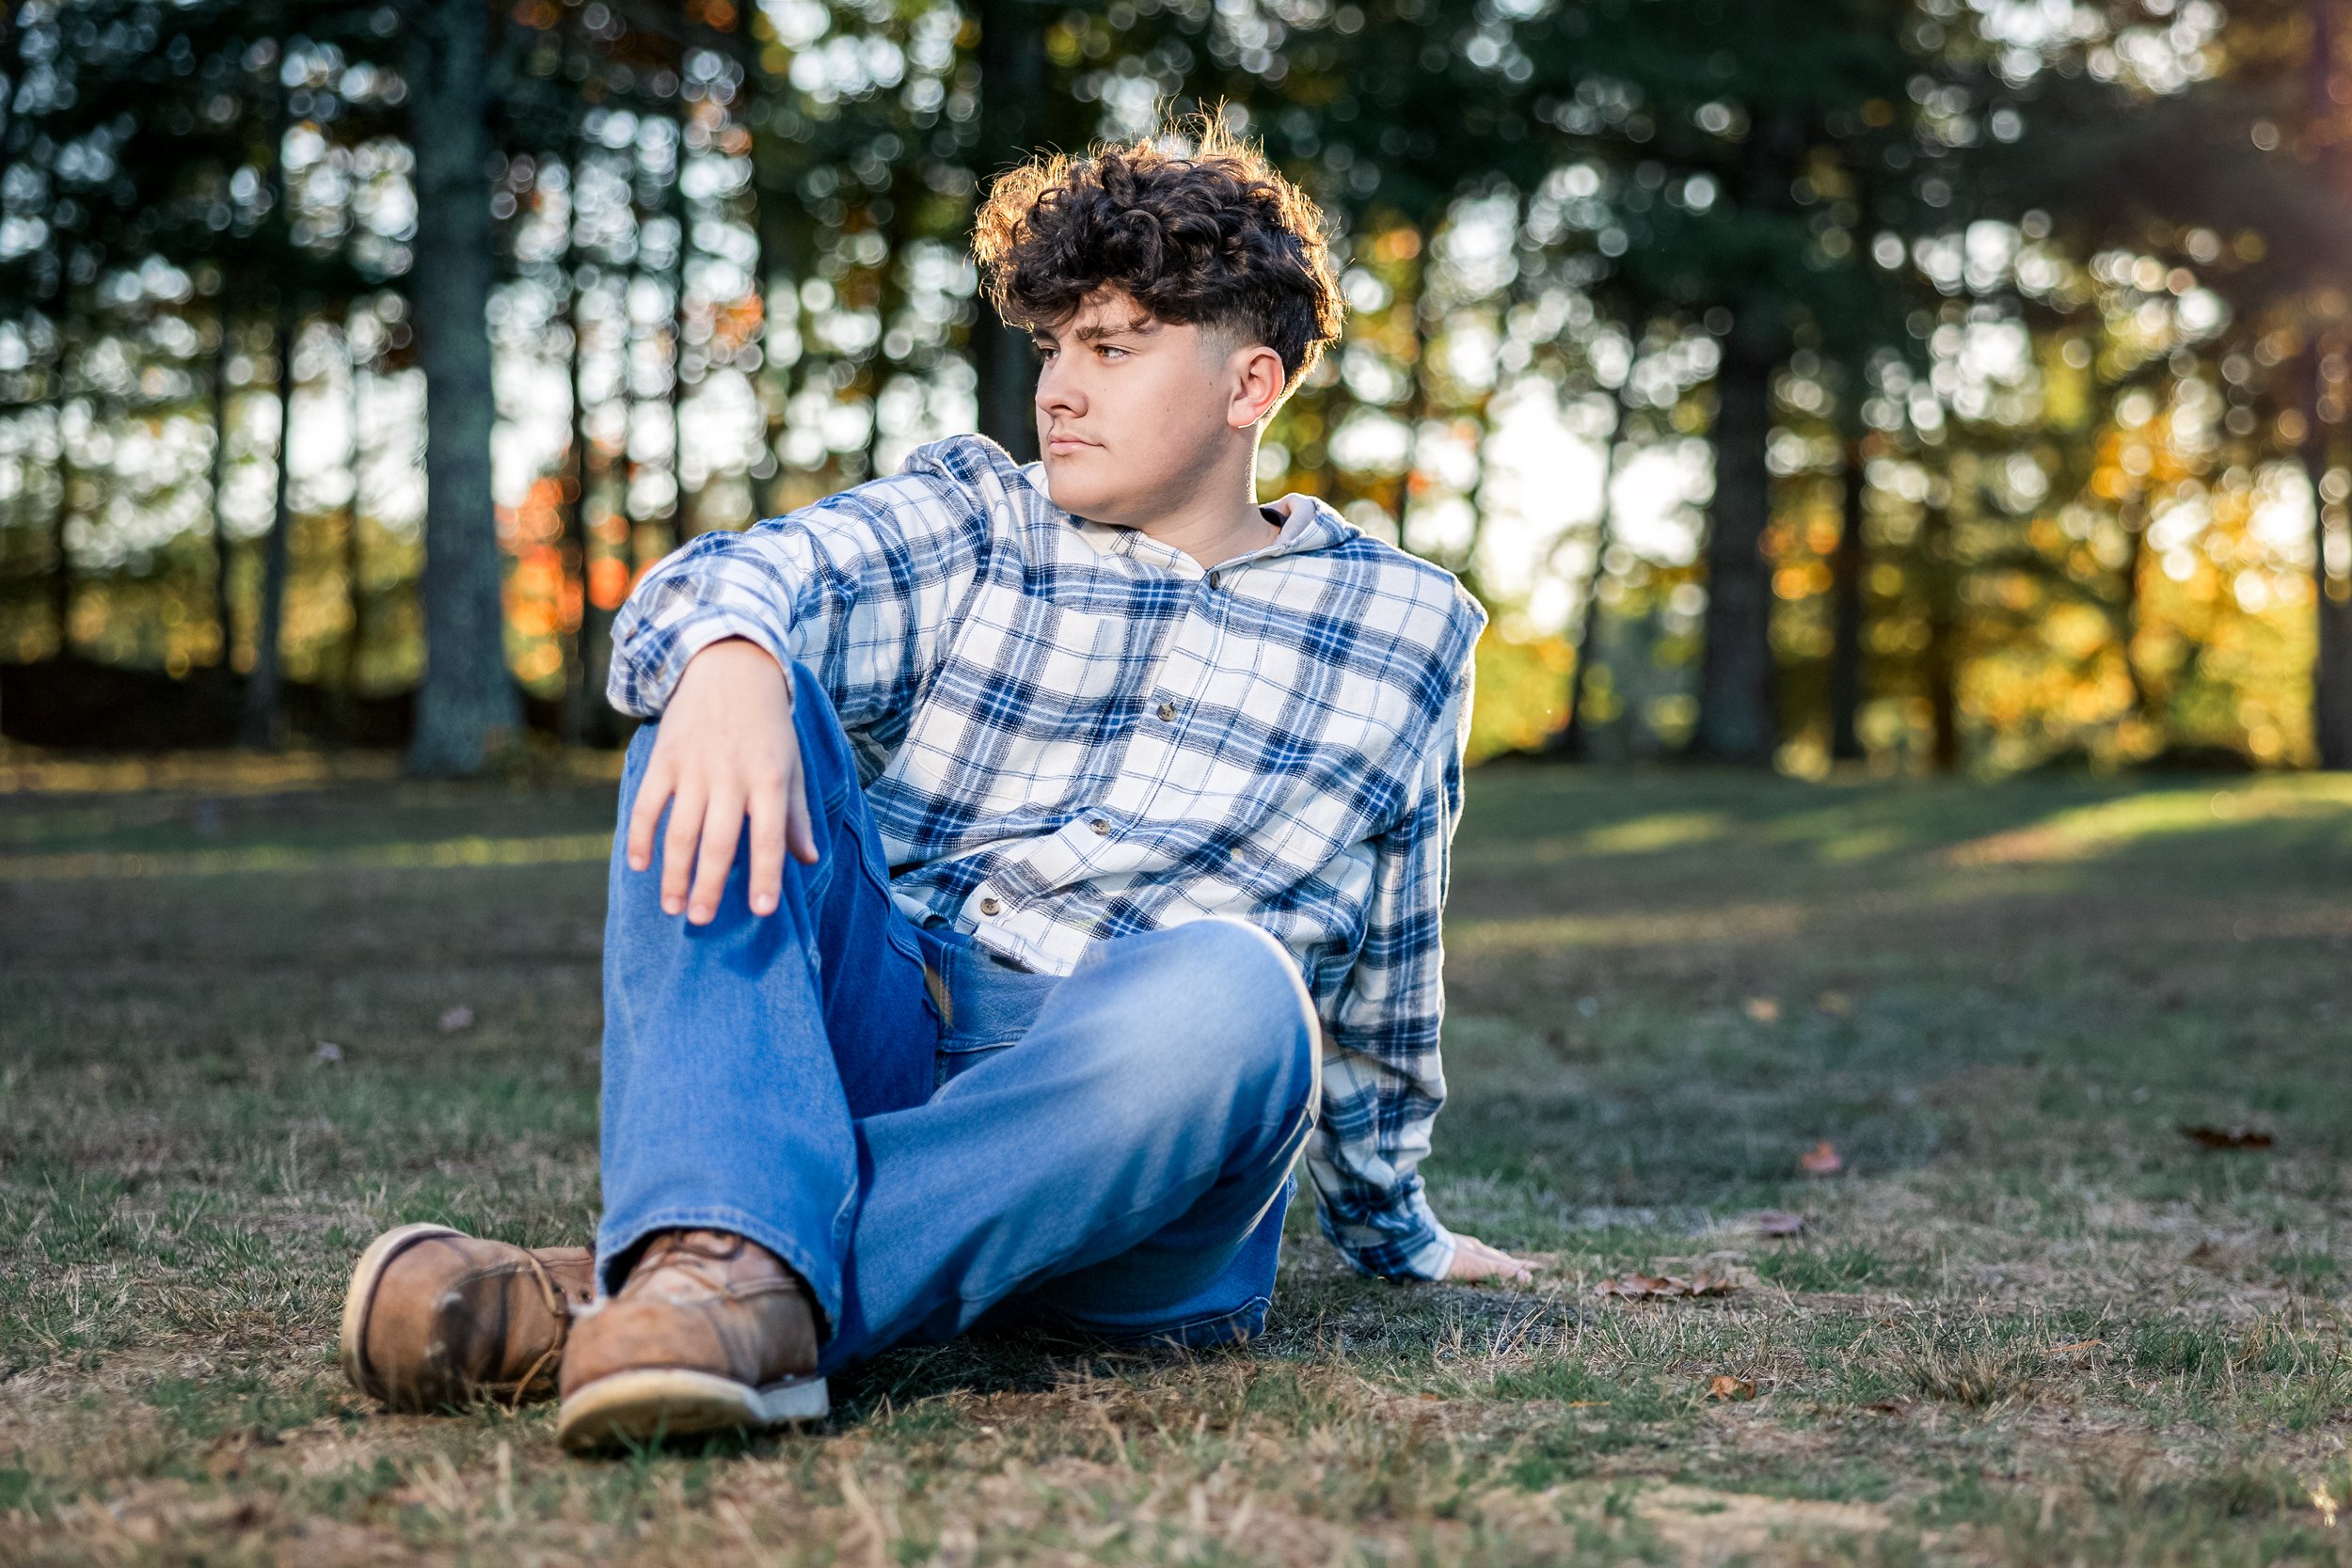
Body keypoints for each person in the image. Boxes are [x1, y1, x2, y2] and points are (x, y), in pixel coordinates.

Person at [337, 121, 1535, 1453]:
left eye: (1112, 346)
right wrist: (734, 656)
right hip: (894, 1034)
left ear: (1250, 385)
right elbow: (735, 579)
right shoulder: (982, 517)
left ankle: (674, 1284)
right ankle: (723, 1290)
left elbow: (1390, 961)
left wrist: (1397, 1230)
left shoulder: (1411, 627)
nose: (1060, 390)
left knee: (1239, 990)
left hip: (1150, 1148)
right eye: (1053, 348)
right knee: (731, 694)